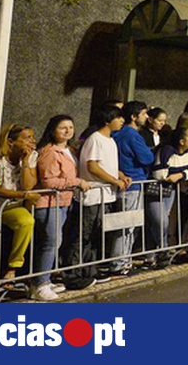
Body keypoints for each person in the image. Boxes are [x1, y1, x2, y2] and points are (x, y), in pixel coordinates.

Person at [64, 104, 127, 288]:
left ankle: (89, 270)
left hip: (106, 196)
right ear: (108, 120)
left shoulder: (111, 141)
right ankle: (72, 273)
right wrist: (113, 181)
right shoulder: (95, 139)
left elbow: (107, 165)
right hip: (92, 196)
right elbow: (92, 166)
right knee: (82, 235)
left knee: (95, 236)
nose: (122, 121)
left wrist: (121, 176)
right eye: (118, 117)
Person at [32, 115, 89, 299]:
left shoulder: (70, 151)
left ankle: (46, 279)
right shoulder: (49, 152)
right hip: (49, 203)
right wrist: (77, 181)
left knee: (54, 242)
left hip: (63, 201)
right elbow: (49, 180)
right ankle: (39, 284)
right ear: (52, 130)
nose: (67, 131)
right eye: (62, 127)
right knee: (50, 242)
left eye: (70, 127)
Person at [0, 124, 40, 286]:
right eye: (26, 138)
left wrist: (25, 162)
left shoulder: (31, 157)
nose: (31, 141)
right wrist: (21, 195)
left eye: (32, 137)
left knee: (27, 221)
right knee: (25, 221)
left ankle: (14, 267)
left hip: (17, 206)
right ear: (11, 142)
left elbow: (28, 185)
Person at [147, 125, 188, 267]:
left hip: (170, 190)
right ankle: (163, 250)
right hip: (156, 190)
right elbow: (159, 173)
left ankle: (155, 254)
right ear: (181, 141)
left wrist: (180, 175)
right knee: (160, 221)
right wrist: (179, 174)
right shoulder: (166, 151)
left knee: (162, 221)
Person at [112, 101, 152, 272]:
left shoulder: (117, 134)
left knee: (122, 225)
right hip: (133, 181)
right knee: (127, 226)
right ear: (134, 117)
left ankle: (121, 261)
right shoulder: (132, 135)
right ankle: (120, 263)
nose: (147, 117)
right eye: (144, 114)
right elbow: (146, 157)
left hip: (123, 181)